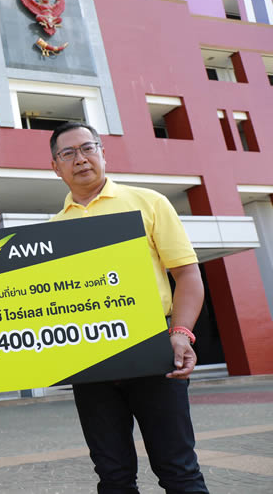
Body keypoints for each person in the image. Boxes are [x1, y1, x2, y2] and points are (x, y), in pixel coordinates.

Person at [49, 121, 209, 493]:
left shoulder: (149, 202)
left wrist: (180, 333)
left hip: (154, 346)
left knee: (179, 469)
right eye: (68, 153)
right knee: (113, 475)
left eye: (87, 148)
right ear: (55, 167)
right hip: (90, 356)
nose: (80, 159)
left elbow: (187, 275)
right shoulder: (54, 228)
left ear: (103, 153)